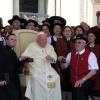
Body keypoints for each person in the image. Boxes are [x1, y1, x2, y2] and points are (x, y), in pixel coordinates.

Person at [21, 32, 61, 100]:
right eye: (42, 39)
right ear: (37, 40)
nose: (44, 41)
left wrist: (51, 58)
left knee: (56, 77)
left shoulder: (50, 47)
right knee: (37, 78)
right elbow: (24, 57)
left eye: (45, 39)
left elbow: (55, 60)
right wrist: (25, 59)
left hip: (47, 67)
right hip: (34, 66)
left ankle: (52, 98)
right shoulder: (31, 45)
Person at [58, 34, 99, 100]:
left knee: (78, 90)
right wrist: (61, 61)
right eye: (75, 42)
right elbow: (63, 67)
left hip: (87, 80)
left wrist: (82, 80)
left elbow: (94, 71)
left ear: (84, 44)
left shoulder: (90, 54)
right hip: (74, 82)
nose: (76, 44)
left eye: (79, 42)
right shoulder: (70, 54)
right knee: (77, 90)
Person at [1, 34, 22, 100]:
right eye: (11, 39)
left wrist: (20, 59)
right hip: (6, 78)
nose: (14, 41)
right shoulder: (2, 50)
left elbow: (15, 67)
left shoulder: (13, 52)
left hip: (13, 78)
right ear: (6, 41)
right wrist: (1, 79)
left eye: (15, 40)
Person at [86, 30, 100, 99]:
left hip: (97, 73)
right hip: (86, 73)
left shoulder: (98, 47)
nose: (90, 37)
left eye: (92, 36)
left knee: (96, 93)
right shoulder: (84, 47)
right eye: (88, 36)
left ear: (95, 37)